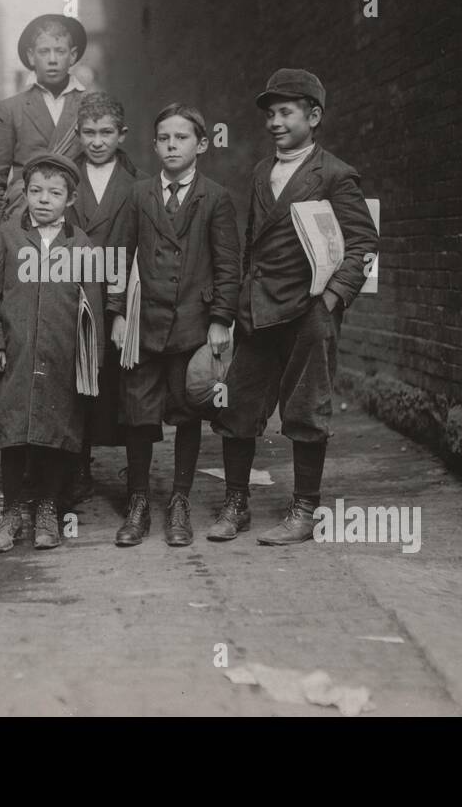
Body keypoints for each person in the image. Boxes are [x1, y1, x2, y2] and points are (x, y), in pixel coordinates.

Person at [209, 69, 378, 544]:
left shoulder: (335, 174)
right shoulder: (263, 171)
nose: (274, 122)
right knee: (237, 406)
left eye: (286, 112)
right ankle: (235, 505)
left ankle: (304, 511)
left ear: (314, 115)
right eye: (270, 114)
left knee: (305, 411)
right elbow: (252, 244)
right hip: (258, 312)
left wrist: (329, 300)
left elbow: (363, 243)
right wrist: (243, 295)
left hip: (307, 314)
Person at [107, 104, 240, 547]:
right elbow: (120, 256)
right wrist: (119, 313)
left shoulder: (216, 198)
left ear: (201, 145)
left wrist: (221, 319)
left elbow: (227, 265)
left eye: (181, 138)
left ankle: (179, 500)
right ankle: (139, 500)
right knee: (138, 414)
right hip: (143, 326)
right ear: (154, 144)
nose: (171, 146)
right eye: (164, 138)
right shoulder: (139, 194)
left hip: (192, 326)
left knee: (188, 412)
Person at [0, 153, 104, 552]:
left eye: (54, 193)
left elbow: (93, 306)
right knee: (14, 433)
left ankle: (48, 508)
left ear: (70, 199)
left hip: (62, 356)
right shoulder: (6, 238)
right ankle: (13, 510)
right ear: (24, 193)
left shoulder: (80, 244)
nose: (43, 200)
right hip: (16, 356)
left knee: (55, 433)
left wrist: (90, 361)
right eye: (35, 191)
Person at [64, 91, 139, 506]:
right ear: (77, 134)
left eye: (106, 133)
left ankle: (134, 473)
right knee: (76, 381)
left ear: (121, 135)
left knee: (122, 383)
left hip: (117, 291)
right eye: (88, 133)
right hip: (72, 290)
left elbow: (136, 249)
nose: (96, 141)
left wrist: (122, 306)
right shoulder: (64, 178)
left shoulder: (136, 184)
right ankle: (78, 466)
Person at [0, 14, 88, 223]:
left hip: (76, 220)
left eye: (60, 51)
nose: (53, 59)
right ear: (31, 56)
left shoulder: (90, 106)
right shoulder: (11, 108)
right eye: (44, 51)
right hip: (24, 219)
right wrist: (0, 229)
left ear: (73, 56)